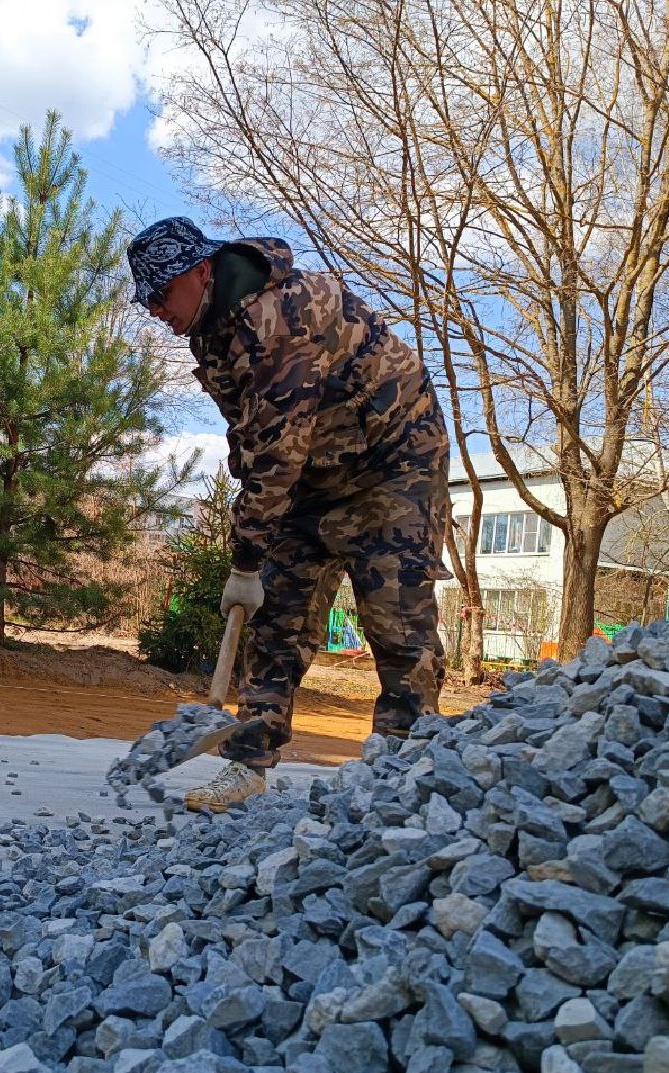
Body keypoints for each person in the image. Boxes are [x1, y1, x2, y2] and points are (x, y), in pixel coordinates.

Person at [127, 217, 452, 812]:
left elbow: (277, 454)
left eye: (160, 293)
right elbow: (253, 434)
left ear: (201, 272)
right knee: (276, 615)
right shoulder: (209, 328)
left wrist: (245, 557)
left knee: (395, 617)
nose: (154, 309)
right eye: (145, 298)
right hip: (310, 471)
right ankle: (247, 764)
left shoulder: (276, 321)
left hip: (393, 461)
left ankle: (403, 770)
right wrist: (258, 557)